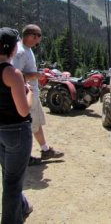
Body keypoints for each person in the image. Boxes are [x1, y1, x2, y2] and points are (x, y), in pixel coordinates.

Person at [12, 24, 64, 166]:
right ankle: (25, 157)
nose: (39, 40)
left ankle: (45, 150)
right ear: (31, 35)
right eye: (39, 36)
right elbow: (14, 75)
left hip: (32, 94)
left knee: (36, 123)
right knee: (26, 127)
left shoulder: (27, 49)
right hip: (25, 95)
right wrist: (35, 75)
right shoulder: (20, 51)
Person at [0, 27, 34, 223]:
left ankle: (22, 207)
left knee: (8, 175)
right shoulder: (12, 73)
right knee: (13, 182)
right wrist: (28, 92)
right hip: (16, 132)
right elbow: (23, 110)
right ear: (13, 49)